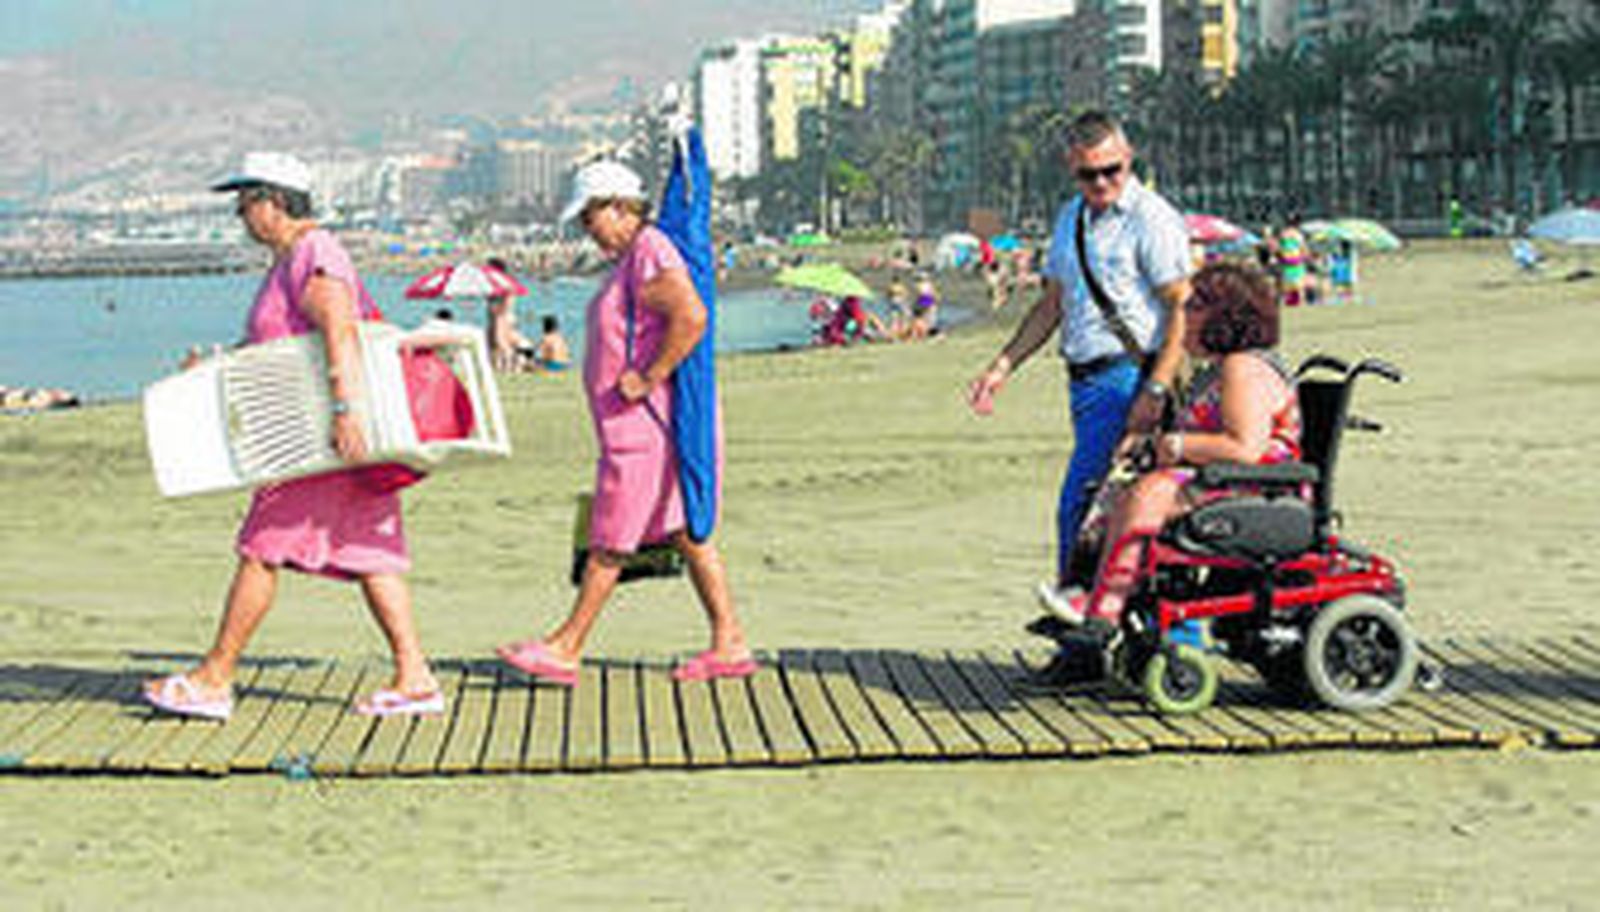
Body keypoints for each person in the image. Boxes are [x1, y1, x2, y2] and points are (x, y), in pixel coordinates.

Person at [143, 151, 443, 721]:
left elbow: (339, 326)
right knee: (370, 554)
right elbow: (280, 346)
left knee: (262, 549)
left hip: (320, 442)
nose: (240, 215)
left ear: (275, 202)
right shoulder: (290, 259)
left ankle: (215, 676)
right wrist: (210, 365)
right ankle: (416, 677)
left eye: (245, 202)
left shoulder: (314, 252)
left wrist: (346, 411)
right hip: (324, 436)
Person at [497, 161, 755, 686]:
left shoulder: (648, 252)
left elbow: (692, 315)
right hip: (640, 427)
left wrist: (648, 374)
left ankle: (566, 647)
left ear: (618, 207)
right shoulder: (636, 257)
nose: (586, 231)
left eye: (589, 218)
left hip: (644, 429)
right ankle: (729, 642)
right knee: (686, 533)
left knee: (612, 540)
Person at [966, 109, 1193, 619]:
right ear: (1071, 170)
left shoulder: (1150, 218)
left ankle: (1081, 623)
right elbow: (1051, 305)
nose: (1101, 183)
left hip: (1128, 378)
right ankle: (1100, 623)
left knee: (1081, 502)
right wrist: (1002, 367)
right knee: (1105, 507)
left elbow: (1183, 305)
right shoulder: (1071, 217)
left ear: (1129, 158)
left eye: (1111, 170)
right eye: (1088, 174)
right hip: (1085, 382)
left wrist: (1154, 392)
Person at [1050, 262, 1301, 628]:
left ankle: (1106, 605)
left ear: (1225, 317)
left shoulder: (1242, 368)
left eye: (1194, 307)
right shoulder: (1217, 371)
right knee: (1120, 485)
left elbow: (1245, 448)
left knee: (1148, 492)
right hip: (1225, 479)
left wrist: (1176, 446)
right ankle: (1091, 589)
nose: (1181, 315)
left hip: (1256, 485)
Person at [485, 256, 520, 372]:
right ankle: (497, 368)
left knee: (501, 342)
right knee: (492, 343)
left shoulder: (503, 284)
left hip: (502, 315)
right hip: (500, 315)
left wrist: (499, 310)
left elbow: (509, 301)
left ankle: (510, 366)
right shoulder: (497, 283)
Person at [1277, 219, 1309, 306]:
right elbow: (1303, 248)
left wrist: (1280, 258)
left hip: (1287, 261)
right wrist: (1305, 256)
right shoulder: (1298, 235)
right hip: (1296, 260)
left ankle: (1286, 301)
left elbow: (1280, 248)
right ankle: (1302, 302)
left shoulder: (1283, 234)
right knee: (1299, 285)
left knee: (1287, 284)